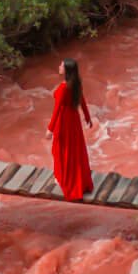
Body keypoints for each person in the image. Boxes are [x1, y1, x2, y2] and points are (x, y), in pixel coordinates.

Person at [48, 58, 94, 201]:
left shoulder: (63, 88)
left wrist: (50, 128)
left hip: (64, 120)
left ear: (66, 70)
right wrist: (87, 118)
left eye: (61, 65)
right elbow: (82, 101)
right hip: (74, 120)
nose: (59, 66)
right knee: (75, 150)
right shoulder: (75, 84)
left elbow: (57, 110)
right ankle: (80, 180)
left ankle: (62, 178)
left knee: (60, 149)